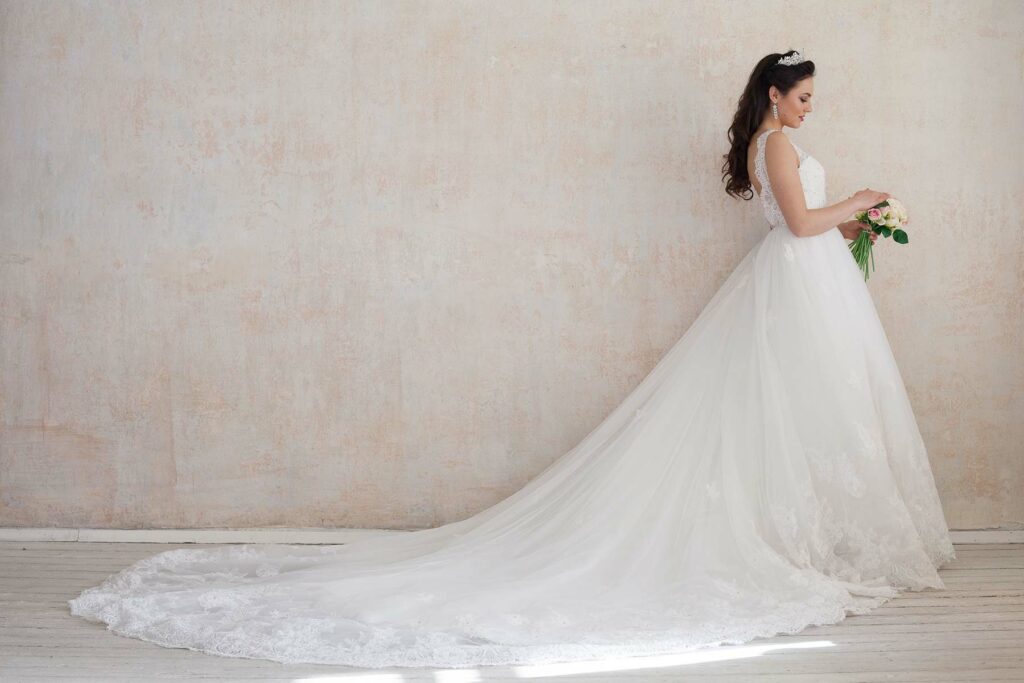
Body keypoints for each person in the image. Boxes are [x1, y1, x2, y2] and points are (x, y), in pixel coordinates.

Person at [68, 49, 955, 669]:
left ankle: (817, 536)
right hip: (795, 285)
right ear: (775, 98)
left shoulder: (773, 144)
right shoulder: (779, 147)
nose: (809, 109)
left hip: (803, 290)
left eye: (810, 102)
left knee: (800, 421)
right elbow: (801, 223)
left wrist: (855, 217)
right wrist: (861, 200)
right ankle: (792, 543)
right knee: (780, 418)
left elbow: (804, 224)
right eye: (802, 98)